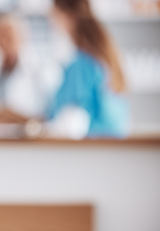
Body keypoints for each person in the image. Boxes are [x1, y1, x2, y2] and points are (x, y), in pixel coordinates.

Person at [45, 0, 129, 139]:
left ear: (68, 16)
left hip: (93, 150)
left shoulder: (81, 65)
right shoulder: (102, 57)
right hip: (112, 148)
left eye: (54, 16)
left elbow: (70, 122)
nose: (50, 23)